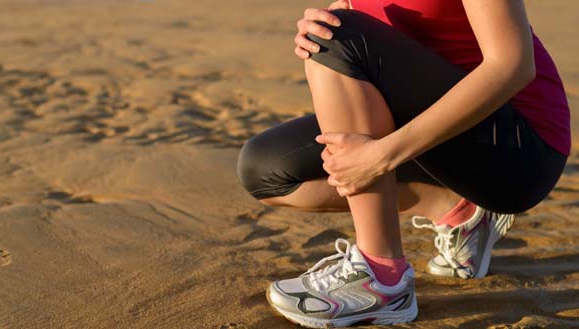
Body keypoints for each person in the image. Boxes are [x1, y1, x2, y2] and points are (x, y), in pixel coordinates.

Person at [236, 0, 570, 327]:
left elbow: (512, 66)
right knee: (266, 169)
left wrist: (382, 155)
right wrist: (323, 23)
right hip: (443, 134)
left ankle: (383, 280)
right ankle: (459, 210)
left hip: (521, 147)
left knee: (337, 39)